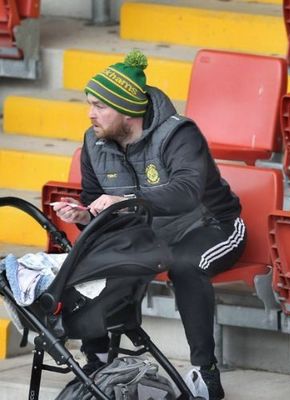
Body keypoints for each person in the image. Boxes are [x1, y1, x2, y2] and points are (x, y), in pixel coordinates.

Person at [53, 49, 245, 400]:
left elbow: (187, 193)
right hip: (151, 235)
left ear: (128, 110)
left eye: (100, 106)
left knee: (187, 266)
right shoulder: (93, 141)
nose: (90, 114)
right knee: (90, 258)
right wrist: (85, 216)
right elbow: (97, 200)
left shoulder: (179, 135)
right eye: (89, 104)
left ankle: (206, 374)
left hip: (212, 226)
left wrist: (124, 201)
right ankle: (96, 364)